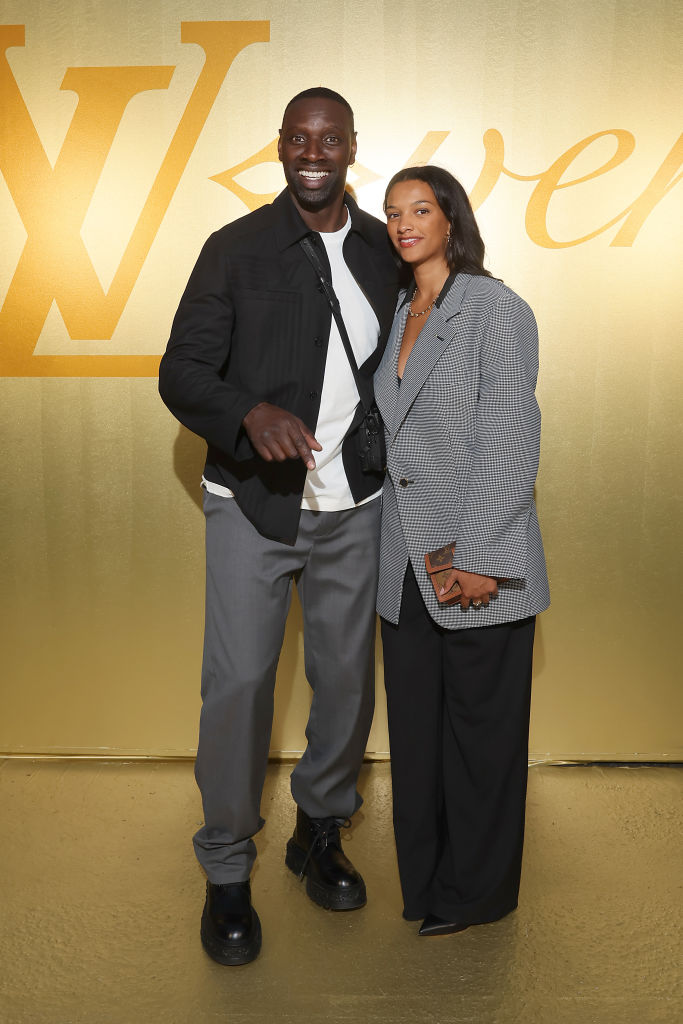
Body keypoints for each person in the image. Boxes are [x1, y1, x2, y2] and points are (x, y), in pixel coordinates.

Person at [159, 88, 399, 965]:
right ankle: (226, 868)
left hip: (356, 507)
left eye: (328, 137)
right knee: (237, 686)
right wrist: (244, 412)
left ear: (350, 149)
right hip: (254, 507)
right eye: (298, 137)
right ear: (280, 147)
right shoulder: (234, 249)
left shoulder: (382, 250)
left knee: (344, 686)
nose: (312, 150)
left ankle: (318, 832)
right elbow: (180, 370)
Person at [374, 166, 550, 937]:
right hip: (402, 565)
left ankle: (475, 895)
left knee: (480, 741)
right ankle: (425, 887)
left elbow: (509, 433)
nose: (404, 224)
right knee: (415, 740)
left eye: (419, 209)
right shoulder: (398, 310)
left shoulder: (494, 308)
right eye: (391, 214)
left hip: (474, 558)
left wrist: (476, 551)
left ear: (450, 219)